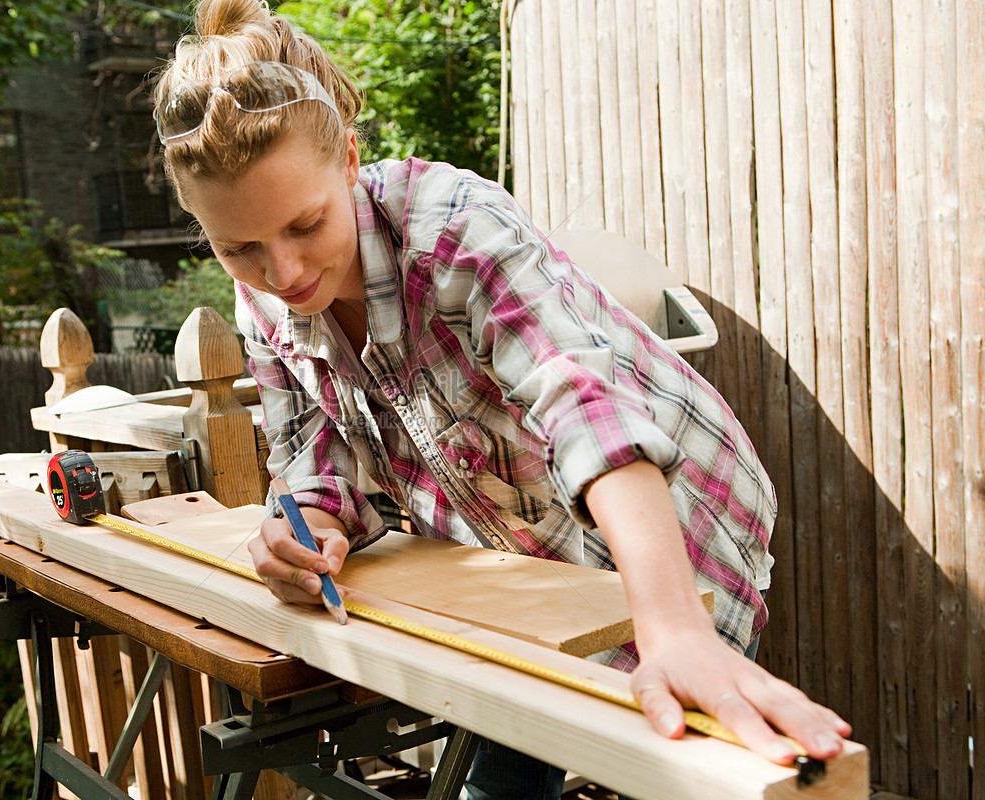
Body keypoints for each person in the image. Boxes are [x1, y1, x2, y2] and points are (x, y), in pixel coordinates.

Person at [152, 1, 851, 797]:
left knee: (677, 766)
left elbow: (584, 403)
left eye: (306, 225)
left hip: (675, 532)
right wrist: (301, 526)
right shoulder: (265, 308)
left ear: (348, 159)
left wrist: (673, 627)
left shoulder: (452, 226)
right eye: (237, 246)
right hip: (525, 576)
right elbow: (313, 451)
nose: (281, 273)